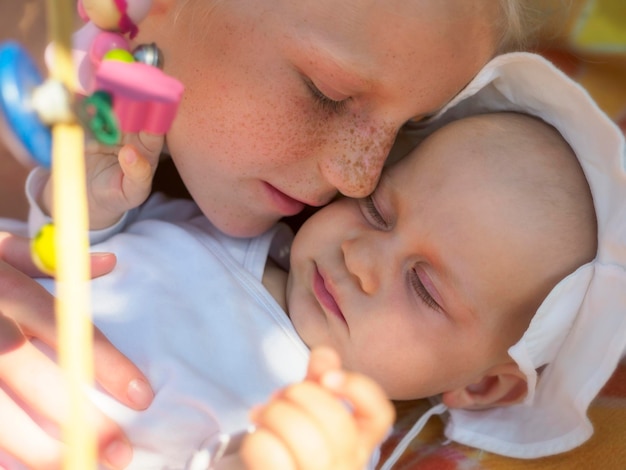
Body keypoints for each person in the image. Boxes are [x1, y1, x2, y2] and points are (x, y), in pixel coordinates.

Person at [0, 1, 568, 467]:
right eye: (329, 93)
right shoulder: (211, 230)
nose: (359, 176)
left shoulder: (326, 429)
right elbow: (75, 259)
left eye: (410, 128)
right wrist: (84, 200)